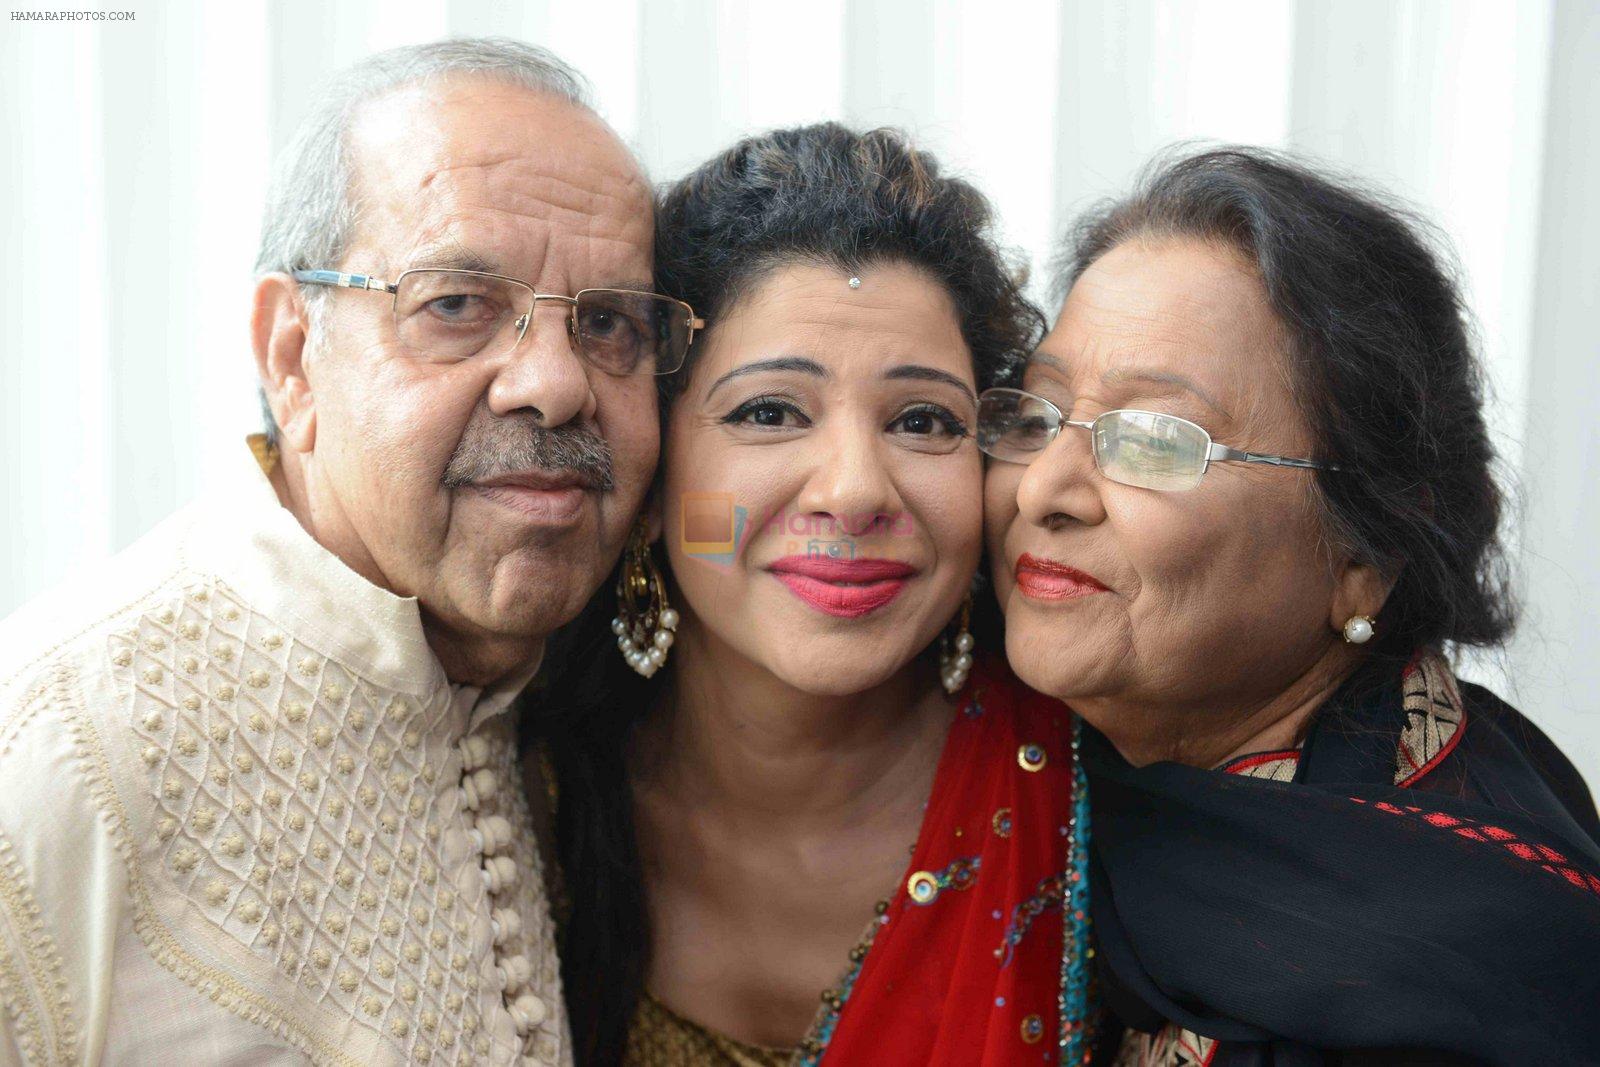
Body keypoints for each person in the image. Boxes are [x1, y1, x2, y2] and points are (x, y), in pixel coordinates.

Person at [0, 38, 700, 1066]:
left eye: (607, 323)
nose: (554, 382)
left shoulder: (588, 708)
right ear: (292, 355)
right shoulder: (61, 746)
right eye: (455, 306)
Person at [979, 146, 1600, 1065]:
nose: (1044, 492)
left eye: (1153, 438)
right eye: (1037, 416)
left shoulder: (1469, 954)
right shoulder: (1008, 783)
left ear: (1365, 550)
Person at [530, 123, 1098, 1066]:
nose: (855, 490)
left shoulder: (1093, 807)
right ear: (653, 479)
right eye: (769, 411)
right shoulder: (516, 806)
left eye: (923, 420)